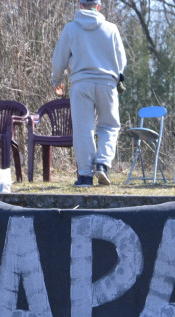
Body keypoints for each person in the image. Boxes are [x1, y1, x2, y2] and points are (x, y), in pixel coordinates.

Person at [51, 0, 126, 187]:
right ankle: (102, 163)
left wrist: (57, 79)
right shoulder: (111, 29)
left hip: (81, 84)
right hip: (107, 83)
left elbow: (59, 59)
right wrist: (117, 76)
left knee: (84, 129)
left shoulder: (71, 29)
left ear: (80, 5)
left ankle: (85, 176)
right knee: (109, 126)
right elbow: (121, 60)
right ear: (98, 6)